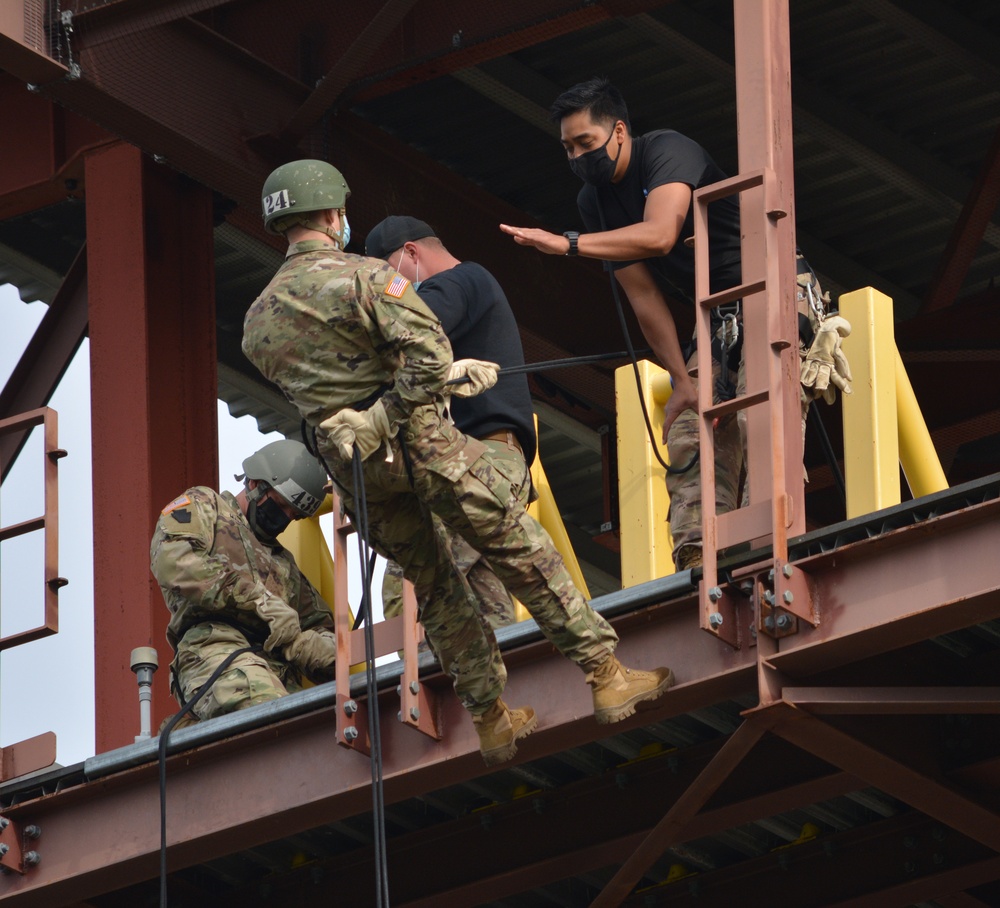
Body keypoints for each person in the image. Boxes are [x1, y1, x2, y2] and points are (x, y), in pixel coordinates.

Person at [242, 159, 673, 766]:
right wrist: (391, 410)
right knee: (516, 546)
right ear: (333, 214)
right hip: (423, 446)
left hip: (362, 475)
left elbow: (313, 406)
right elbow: (427, 357)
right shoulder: (367, 279)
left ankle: (492, 719)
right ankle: (606, 674)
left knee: (437, 590)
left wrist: (360, 424)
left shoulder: (256, 321)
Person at [500, 77, 850, 571]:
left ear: (619, 131)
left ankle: (767, 540)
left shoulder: (665, 150)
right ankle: (699, 557)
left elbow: (661, 234)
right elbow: (642, 296)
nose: (578, 157)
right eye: (568, 149)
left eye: (586, 143)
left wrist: (568, 245)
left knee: (758, 413)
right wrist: (682, 380)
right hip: (719, 317)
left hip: (772, 290)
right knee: (689, 428)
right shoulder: (592, 202)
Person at [365, 214, 536, 633]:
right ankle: (492, 687)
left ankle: (419, 683)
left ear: (411, 253)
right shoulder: (470, 288)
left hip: (473, 459)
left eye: (388, 274)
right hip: (489, 463)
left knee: (414, 577)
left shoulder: (460, 281)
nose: (390, 289)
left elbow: (411, 326)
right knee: (482, 600)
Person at [150, 439, 336, 722]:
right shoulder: (207, 507)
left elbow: (323, 627)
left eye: (294, 516)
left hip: (278, 673)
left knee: (313, 728)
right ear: (255, 484)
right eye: (280, 506)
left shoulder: (284, 565)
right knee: (271, 716)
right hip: (214, 647)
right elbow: (174, 563)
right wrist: (259, 601)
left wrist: (305, 645)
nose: (284, 519)